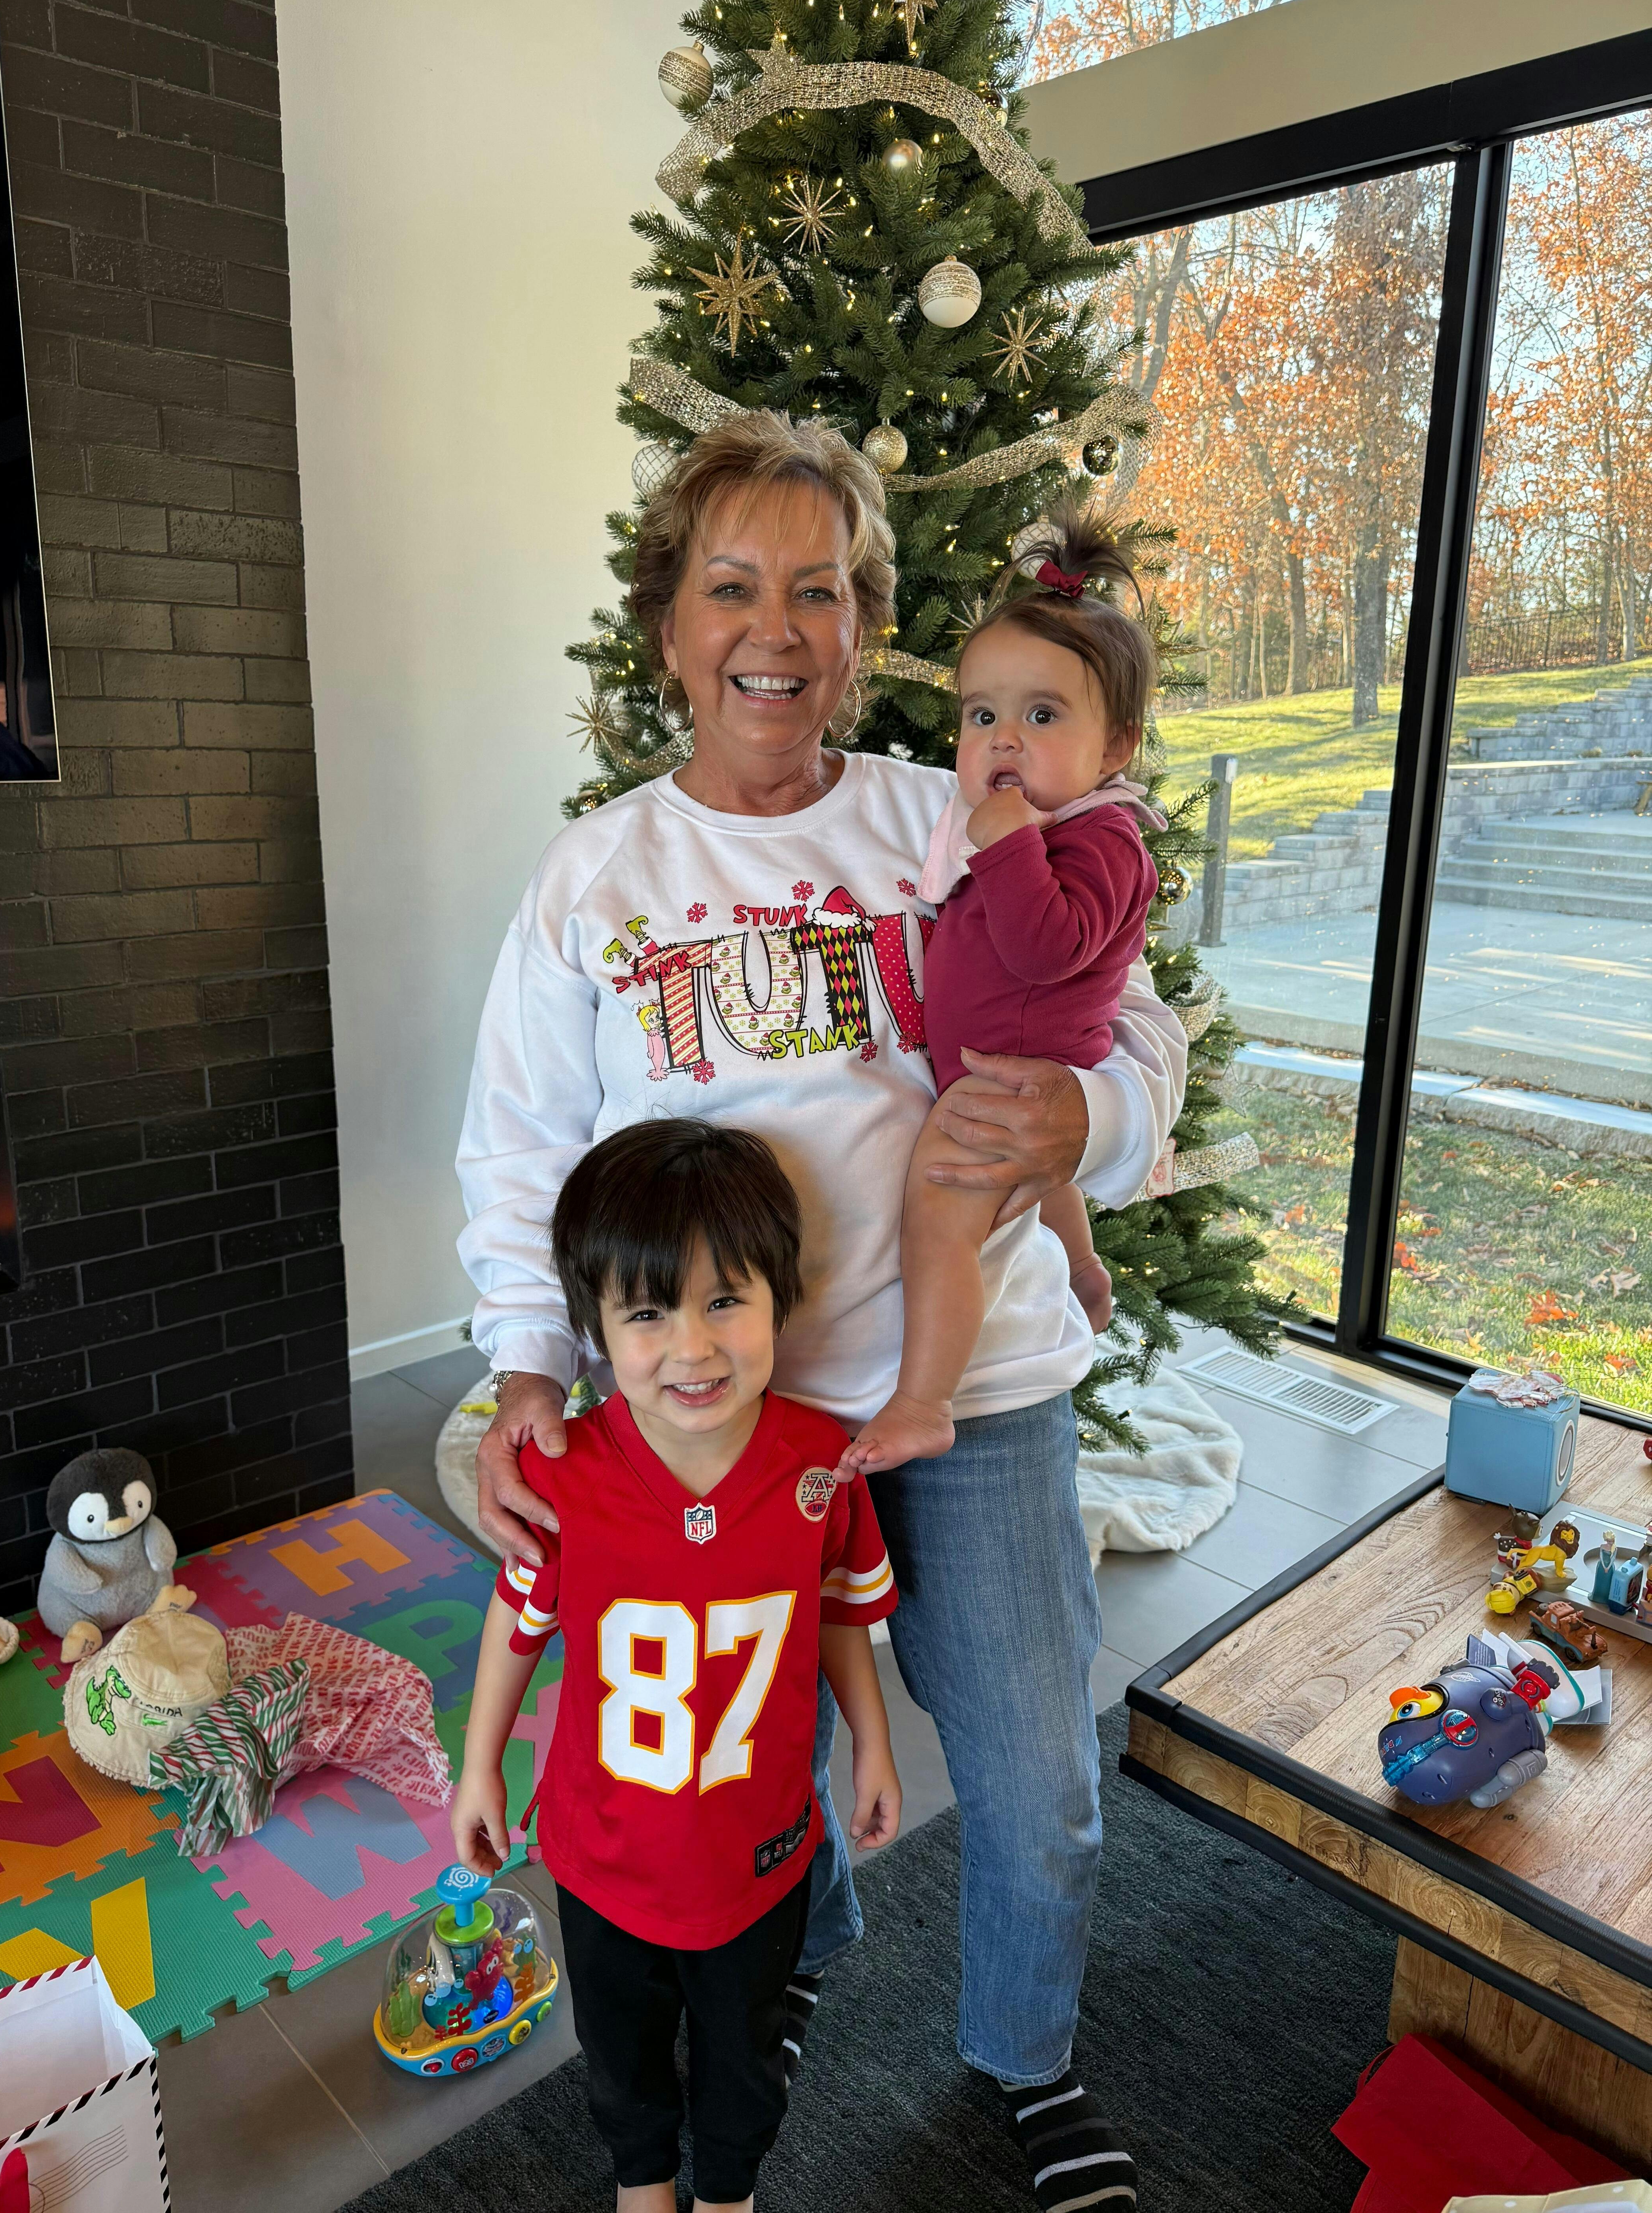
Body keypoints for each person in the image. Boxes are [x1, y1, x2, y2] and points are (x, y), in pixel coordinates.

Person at [458, 408, 1185, 2211]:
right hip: (715, 1429)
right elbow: (522, 1153)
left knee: (1037, 1774)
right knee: (745, 1758)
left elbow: (1133, 1022)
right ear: (669, 627)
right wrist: (526, 1369)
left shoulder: (955, 811)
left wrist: (1092, 1117)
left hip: (975, 1389)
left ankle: (1023, 2060)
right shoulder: (595, 877)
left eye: (819, 589)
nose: (773, 631)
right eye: (732, 589)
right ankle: (785, 1965)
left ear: (864, 627)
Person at [452, 1119, 901, 2213]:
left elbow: (840, 1615)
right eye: (648, 1314)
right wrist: (478, 1769)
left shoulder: (819, 1467)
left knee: (746, 2059)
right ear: (594, 1327)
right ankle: (642, 2185)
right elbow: (517, 1621)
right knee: (621, 2054)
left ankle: (727, 2193)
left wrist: (874, 1747)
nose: (693, 1349)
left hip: (761, 1854)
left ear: (781, 1298)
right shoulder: (566, 1477)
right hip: (602, 1855)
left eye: (725, 1301)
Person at [842, 506, 1162, 1475]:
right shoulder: (1015, 824)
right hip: (1003, 1071)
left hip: (1005, 1081)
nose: (1004, 741)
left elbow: (1046, 947)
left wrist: (1010, 846)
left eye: (1043, 716)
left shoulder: (1104, 840)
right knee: (1039, 1183)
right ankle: (1084, 1271)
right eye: (982, 717)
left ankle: (925, 1402)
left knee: (942, 1206)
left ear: (1116, 745)